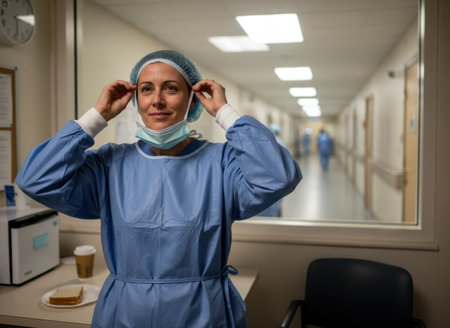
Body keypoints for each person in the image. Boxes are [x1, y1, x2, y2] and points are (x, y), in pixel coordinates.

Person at [15, 50, 302, 328]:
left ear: (192, 100)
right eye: (147, 89)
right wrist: (96, 116)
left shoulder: (222, 164)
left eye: (171, 88)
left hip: (203, 313)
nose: (157, 101)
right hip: (125, 313)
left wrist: (225, 114)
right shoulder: (109, 165)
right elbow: (36, 180)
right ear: (135, 99)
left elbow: (279, 177)